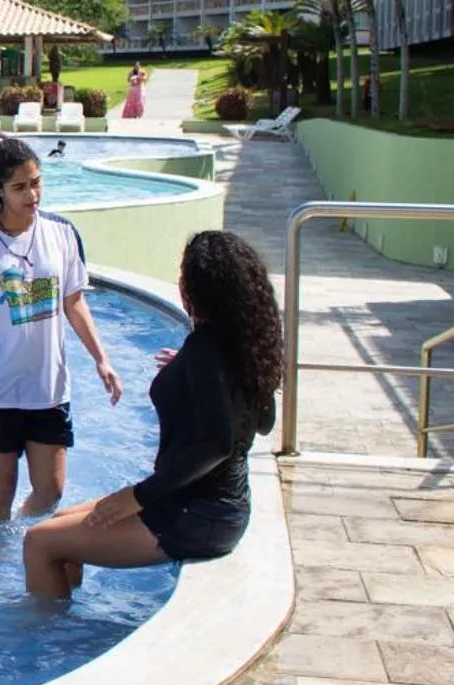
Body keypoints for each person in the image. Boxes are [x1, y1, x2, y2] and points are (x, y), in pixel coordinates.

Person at [23, 231, 282, 597]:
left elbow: (217, 443)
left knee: (39, 542)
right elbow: (262, 421)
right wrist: (194, 374)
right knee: (59, 524)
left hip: (198, 514)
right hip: (215, 505)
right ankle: (59, 621)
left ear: (195, 289)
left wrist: (138, 496)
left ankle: (43, 638)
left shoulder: (206, 349)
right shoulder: (234, 350)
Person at [0, 135, 122, 520]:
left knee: (51, 492)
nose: (32, 194)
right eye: (20, 187)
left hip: (48, 387)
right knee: (0, 495)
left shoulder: (62, 234)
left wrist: (102, 360)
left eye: (36, 182)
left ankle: (27, 542)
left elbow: (74, 301)